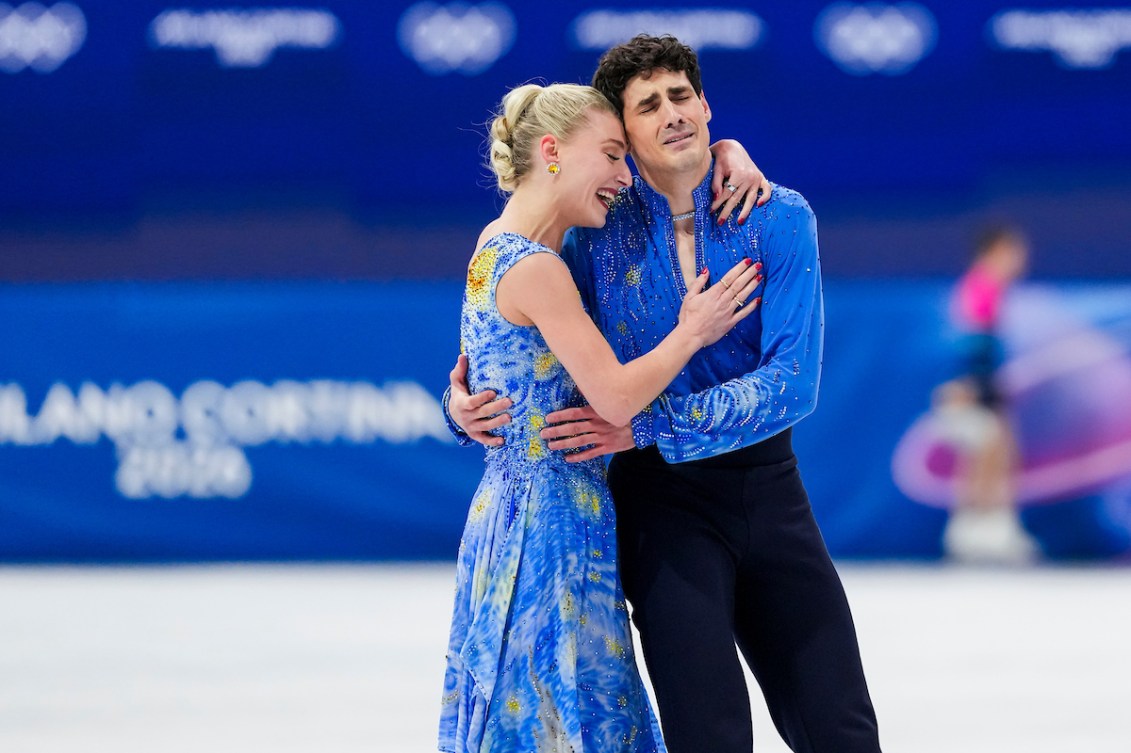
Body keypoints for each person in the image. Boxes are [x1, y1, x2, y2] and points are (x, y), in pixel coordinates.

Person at [446, 35, 882, 753]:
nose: (672, 113)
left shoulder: (777, 218)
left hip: (768, 492)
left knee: (839, 726)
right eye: (648, 106)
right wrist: (461, 406)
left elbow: (791, 383)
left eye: (681, 95)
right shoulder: (591, 232)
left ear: (706, 105)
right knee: (705, 734)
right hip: (660, 509)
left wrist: (650, 423)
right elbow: (513, 347)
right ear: (623, 135)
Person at [438, 81, 764, 753]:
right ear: (552, 151)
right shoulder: (538, 270)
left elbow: (481, 374)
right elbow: (614, 399)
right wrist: (691, 330)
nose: (622, 175)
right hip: (549, 521)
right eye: (611, 154)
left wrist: (457, 408)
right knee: (564, 717)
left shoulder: (493, 243)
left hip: (511, 510)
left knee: (535, 710)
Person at [935, 223, 1038, 564]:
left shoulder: (989, 289)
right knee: (989, 451)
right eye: (1014, 251)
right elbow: (968, 348)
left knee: (997, 451)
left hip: (981, 385)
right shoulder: (981, 288)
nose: (1021, 259)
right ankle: (975, 533)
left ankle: (988, 530)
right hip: (970, 389)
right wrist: (974, 390)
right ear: (996, 251)